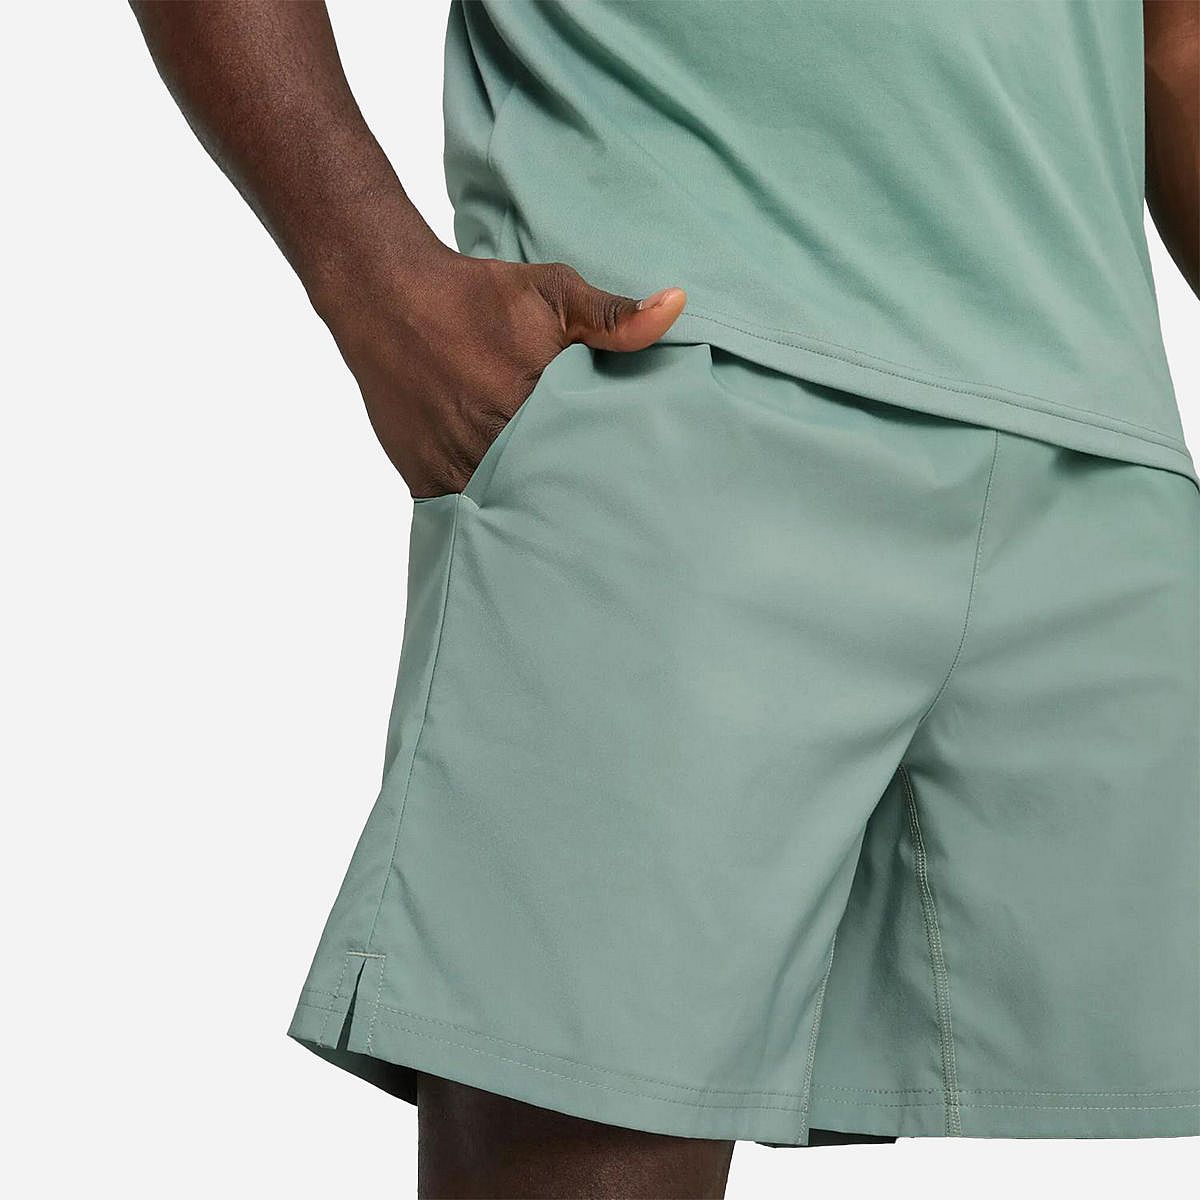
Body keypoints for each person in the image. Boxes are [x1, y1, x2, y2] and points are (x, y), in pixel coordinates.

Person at [131, 2, 1199, 1196]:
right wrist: (375, 283)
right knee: (583, 1136)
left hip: (1098, 451)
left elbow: (1174, 36)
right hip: (675, 382)